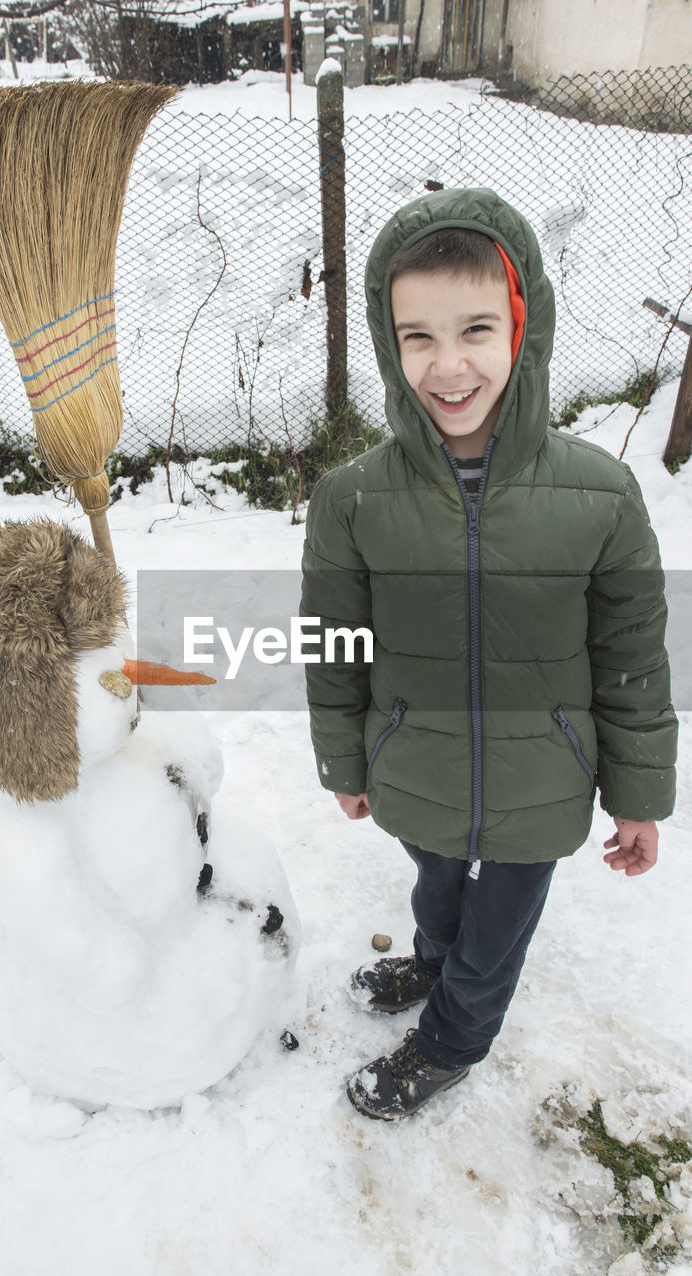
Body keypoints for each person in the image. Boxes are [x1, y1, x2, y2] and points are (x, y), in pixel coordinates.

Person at [299, 187, 677, 1122]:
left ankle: (452, 1043)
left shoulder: (600, 494)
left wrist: (636, 794)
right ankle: (429, 962)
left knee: (497, 932)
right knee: (434, 884)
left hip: (543, 782)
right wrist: (347, 758)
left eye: (476, 329)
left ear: (522, 331)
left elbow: (632, 656)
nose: (449, 364)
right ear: (391, 349)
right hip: (416, 766)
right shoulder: (352, 501)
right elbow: (331, 645)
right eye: (417, 336)